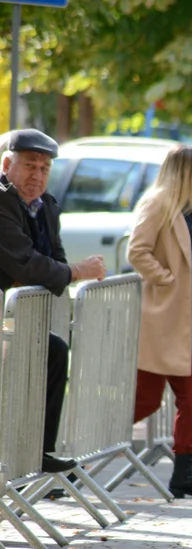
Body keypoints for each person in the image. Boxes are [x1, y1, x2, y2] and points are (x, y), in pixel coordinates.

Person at [0, 129, 105, 475]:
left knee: (55, 352)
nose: (38, 175)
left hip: (18, 322)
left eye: (44, 168)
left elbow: (51, 258)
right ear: (7, 165)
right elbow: (26, 263)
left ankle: (40, 455)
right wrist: (75, 271)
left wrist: (52, 271)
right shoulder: (2, 202)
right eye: (30, 166)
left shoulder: (46, 207)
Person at [128, 145, 192, 499]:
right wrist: (165, 278)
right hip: (162, 319)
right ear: (185, 171)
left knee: (191, 395)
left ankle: (184, 471)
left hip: (184, 322)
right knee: (146, 402)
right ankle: (80, 450)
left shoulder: (189, 210)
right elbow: (137, 250)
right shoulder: (158, 203)